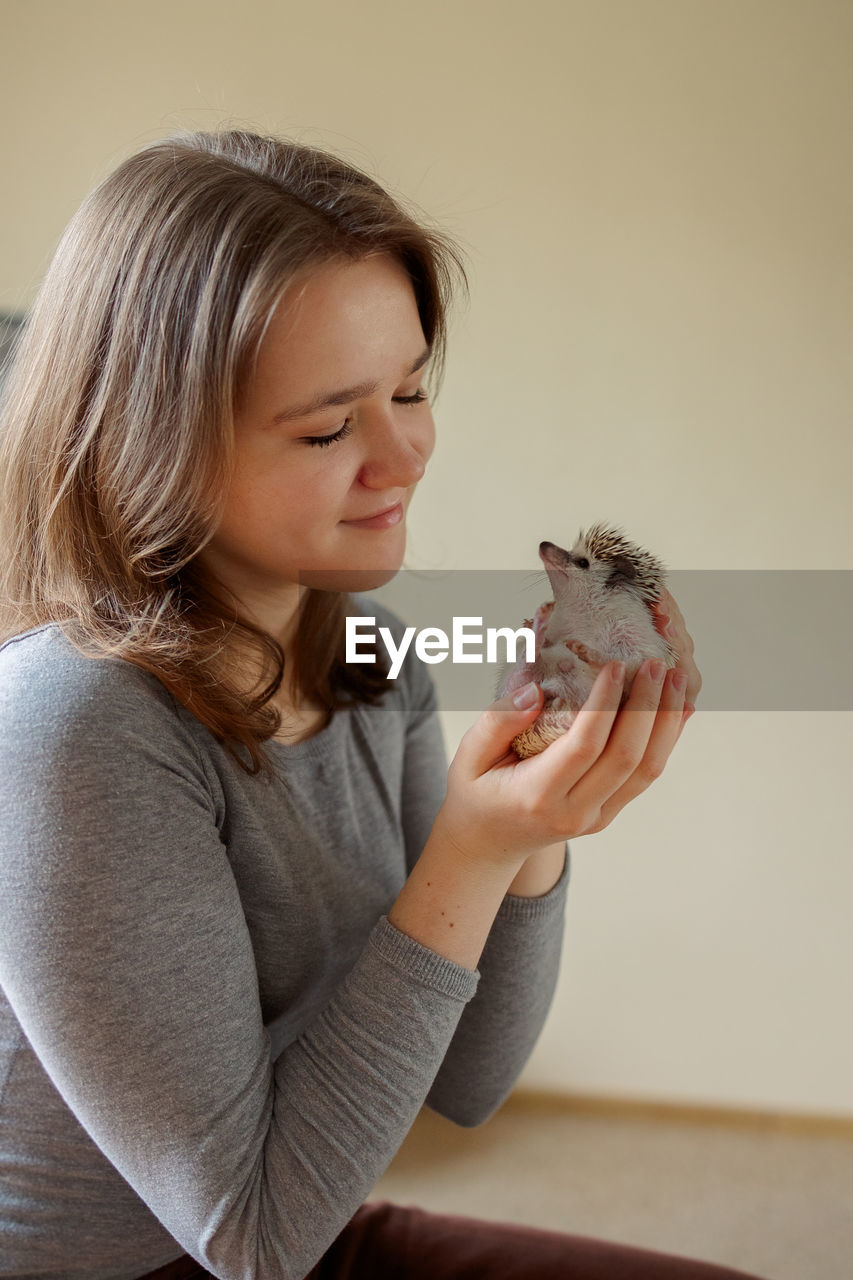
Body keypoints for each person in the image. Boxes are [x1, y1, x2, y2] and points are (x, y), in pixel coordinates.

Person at [0, 130, 762, 1280]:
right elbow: (248, 1237)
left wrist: (529, 829)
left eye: (410, 387)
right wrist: (471, 846)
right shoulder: (71, 724)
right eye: (327, 425)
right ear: (149, 442)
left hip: (309, 1226)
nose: (404, 454)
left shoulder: (366, 651)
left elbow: (469, 1081)